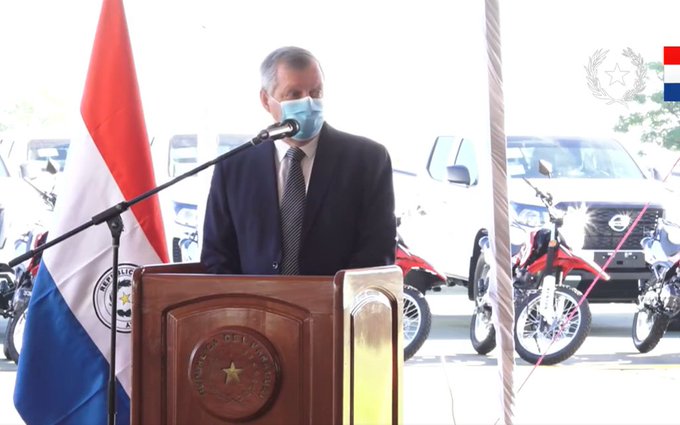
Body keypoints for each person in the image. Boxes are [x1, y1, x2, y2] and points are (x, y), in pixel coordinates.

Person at [200, 46, 396, 275]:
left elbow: (377, 253)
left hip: (336, 298)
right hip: (253, 299)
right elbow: (217, 256)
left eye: (315, 92)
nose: (308, 103)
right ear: (266, 100)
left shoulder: (368, 161)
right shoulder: (233, 167)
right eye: (294, 94)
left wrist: (332, 295)